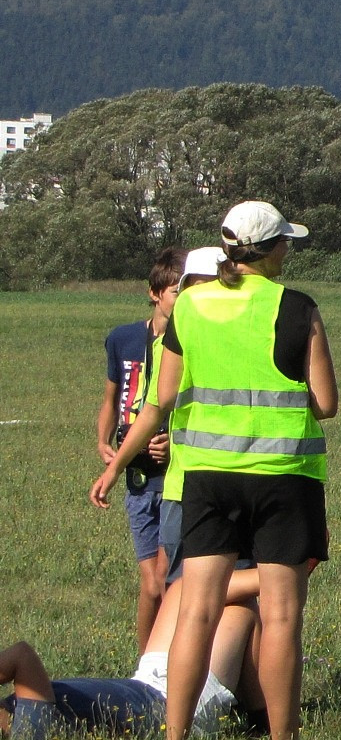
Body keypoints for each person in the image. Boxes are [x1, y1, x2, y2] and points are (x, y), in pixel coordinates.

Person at [90, 199, 336, 740]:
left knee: (195, 612)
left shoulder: (191, 305)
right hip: (282, 476)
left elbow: (161, 400)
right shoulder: (297, 307)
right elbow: (325, 402)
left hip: (204, 478)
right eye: (286, 242)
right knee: (281, 616)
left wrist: (116, 463)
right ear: (272, 249)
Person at [2, 572, 265, 740]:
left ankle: (280, 574)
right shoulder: (27, 728)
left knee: (185, 588)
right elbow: (21, 656)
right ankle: (263, 721)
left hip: (145, 685)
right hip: (175, 710)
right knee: (242, 611)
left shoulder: (17, 709)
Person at [96, 247, 185, 650]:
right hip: (137, 474)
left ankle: (166, 660)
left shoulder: (190, 342)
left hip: (174, 476)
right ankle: (145, 662)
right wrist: (104, 442)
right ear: (154, 293)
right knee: (151, 585)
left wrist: (174, 445)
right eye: (175, 291)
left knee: (167, 577)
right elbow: (111, 398)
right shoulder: (123, 339)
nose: (181, 299)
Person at [155, 247, 231, 585]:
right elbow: (159, 403)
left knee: (201, 584)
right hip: (183, 479)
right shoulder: (174, 337)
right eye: (193, 287)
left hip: (226, 477)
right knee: (180, 580)